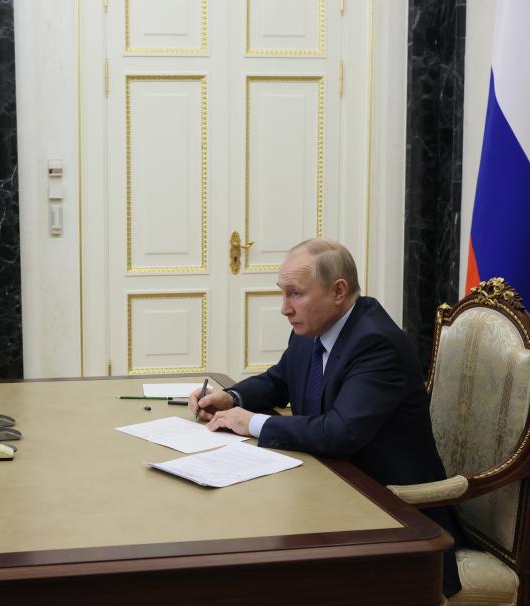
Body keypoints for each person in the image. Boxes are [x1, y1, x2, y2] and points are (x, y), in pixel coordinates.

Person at [189, 238, 464, 599]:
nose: (284, 309)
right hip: (326, 492)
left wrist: (250, 422)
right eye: (282, 294)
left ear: (338, 291)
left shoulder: (376, 343)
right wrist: (232, 398)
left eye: (295, 294)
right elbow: (279, 380)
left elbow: (339, 433)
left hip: (392, 516)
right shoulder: (313, 328)